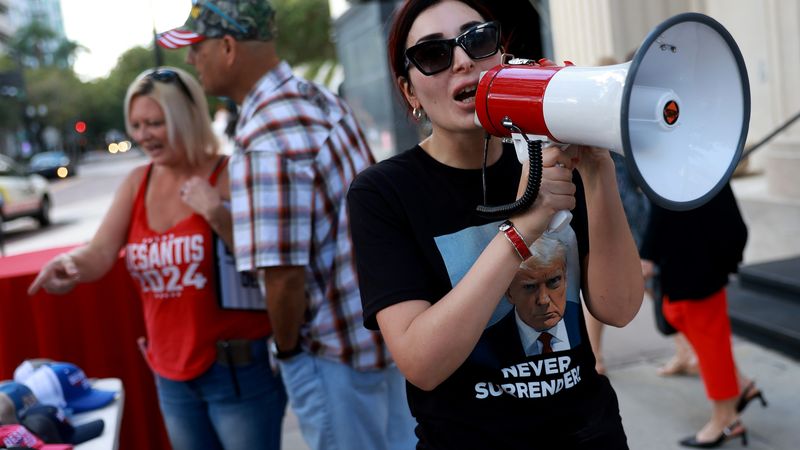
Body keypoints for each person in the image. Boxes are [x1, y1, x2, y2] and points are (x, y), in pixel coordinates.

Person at [347, 0, 644, 448]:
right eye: (433, 54)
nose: (463, 60)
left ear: (501, 56)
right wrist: (521, 231)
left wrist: (598, 170)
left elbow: (618, 307)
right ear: (410, 93)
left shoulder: (550, 153)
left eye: (478, 39)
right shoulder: (383, 194)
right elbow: (422, 364)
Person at [156, 2, 417, 449]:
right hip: (378, 336)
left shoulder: (265, 136)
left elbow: (283, 279)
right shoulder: (315, 98)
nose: (190, 60)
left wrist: (289, 352)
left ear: (228, 47)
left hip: (332, 356)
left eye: (197, 48)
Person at [27, 67, 288, 450]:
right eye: (135, 124)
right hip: (169, 373)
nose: (142, 135)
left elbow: (272, 263)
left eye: (155, 122)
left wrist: (217, 214)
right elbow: (100, 252)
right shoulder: (138, 181)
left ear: (186, 118)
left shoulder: (229, 173)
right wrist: (72, 264)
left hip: (237, 373)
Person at [640, 182, 764, 448]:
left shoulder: (690, 158)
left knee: (709, 339)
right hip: (688, 252)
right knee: (676, 314)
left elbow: (666, 205)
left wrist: (648, 254)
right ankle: (741, 385)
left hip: (698, 257)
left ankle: (726, 419)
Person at [582, 55, 653, 375]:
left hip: (625, 208)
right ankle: (595, 354)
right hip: (619, 208)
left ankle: (596, 355)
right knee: (617, 282)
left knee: (638, 279)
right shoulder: (602, 118)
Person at [502, 236, 582, 356]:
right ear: (509, 293)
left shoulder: (583, 322)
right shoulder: (488, 345)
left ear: (565, 278)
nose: (543, 300)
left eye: (554, 281)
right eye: (529, 287)